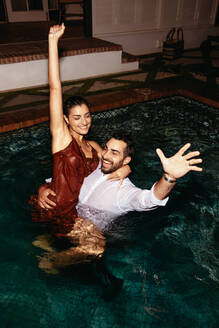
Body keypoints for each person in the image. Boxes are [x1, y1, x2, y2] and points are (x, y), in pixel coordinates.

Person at [30, 24, 130, 264]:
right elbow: (55, 88)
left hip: (71, 210)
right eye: (76, 117)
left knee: (97, 245)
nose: (84, 121)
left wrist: (126, 168)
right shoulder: (62, 139)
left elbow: (113, 161)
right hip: (55, 207)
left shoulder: (94, 146)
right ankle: (50, 264)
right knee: (95, 248)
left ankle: (46, 244)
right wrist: (53, 43)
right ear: (66, 120)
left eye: (87, 115)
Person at [37, 133, 203, 272]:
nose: (106, 155)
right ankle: (50, 239)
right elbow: (63, 177)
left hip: (83, 231)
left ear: (126, 161)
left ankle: (53, 262)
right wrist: (43, 189)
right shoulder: (93, 167)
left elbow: (150, 199)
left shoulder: (124, 192)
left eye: (114, 153)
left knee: (95, 249)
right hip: (63, 217)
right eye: (106, 149)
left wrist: (169, 177)